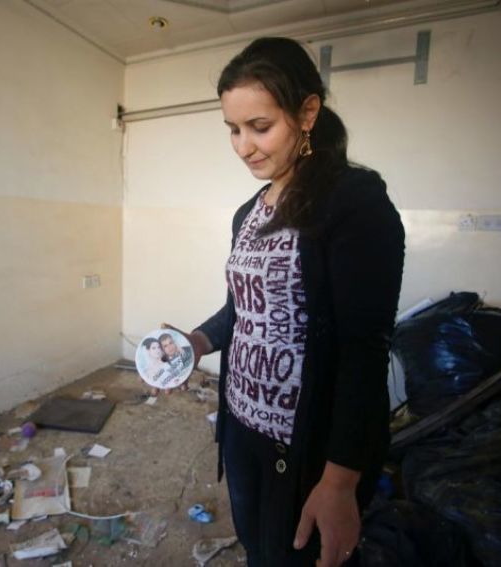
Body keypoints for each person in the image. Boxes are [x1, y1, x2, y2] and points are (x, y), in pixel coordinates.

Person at [175, 38, 405, 566]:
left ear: (307, 112)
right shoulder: (248, 212)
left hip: (305, 450)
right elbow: (244, 306)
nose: (243, 146)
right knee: (260, 551)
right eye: (233, 129)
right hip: (241, 427)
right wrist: (197, 340)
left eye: (260, 127)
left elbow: (363, 350)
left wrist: (341, 481)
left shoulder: (353, 203)